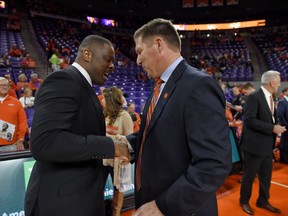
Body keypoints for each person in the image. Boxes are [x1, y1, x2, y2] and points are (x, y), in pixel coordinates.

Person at [119, 18, 232, 216]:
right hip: (151, 199)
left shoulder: (198, 85)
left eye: (139, 51)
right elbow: (157, 133)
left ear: (159, 44)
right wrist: (128, 144)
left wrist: (164, 205)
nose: (137, 60)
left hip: (178, 209)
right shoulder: (160, 86)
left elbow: (213, 164)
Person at [24, 35, 131, 216]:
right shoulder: (63, 81)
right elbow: (45, 142)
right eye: (108, 59)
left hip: (75, 200)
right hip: (60, 203)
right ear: (87, 54)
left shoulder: (81, 85)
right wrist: (110, 146)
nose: (112, 66)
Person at [239, 70, 286, 215]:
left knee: (266, 176)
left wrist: (274, 127)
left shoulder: (271, 97)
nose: (279, 83)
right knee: (249, 175)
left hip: (267, 144)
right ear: (272, 82)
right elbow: (249, 120)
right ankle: (244, 201)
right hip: (254, 146)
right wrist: (272, 128)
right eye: (278, 81)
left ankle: (263, 201)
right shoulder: (254, 97)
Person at [102, 86, 134, 216]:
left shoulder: (125, 116)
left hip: (117, 161)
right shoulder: (104, 115)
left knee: (117, 190)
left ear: (110, 100)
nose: (102, 101)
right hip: (102, 159)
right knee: (98, 187)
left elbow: (130, 139)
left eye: (104, 99)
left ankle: (116, 213)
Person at [0, 77, 27, 151]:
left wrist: (21, 138)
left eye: (5, 85)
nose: (3, 87)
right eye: (1, 85)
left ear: (9, 87)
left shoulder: (16, 102)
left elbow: (23, 121)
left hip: (12, 144)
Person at [276, 86, 288, 163]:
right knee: (284, 143)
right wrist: (286, 124)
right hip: (285, 126)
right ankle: (284, 159)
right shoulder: (282, 101)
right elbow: (280, 114)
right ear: (285, 92)